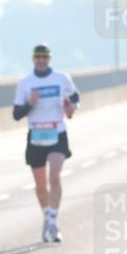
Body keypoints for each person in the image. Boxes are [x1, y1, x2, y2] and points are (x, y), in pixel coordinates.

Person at [12, 45, 79, 243]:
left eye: (44, 57)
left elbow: (75, 96)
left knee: (55, 177)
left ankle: (53, 220)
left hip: (57, 132)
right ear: (33, 59)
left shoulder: (61, 78)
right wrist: (30, 104)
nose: (41, 60)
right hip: (36, 136)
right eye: (38, 57)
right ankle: (46, 214)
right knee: (41, 185)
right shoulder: (25, 83)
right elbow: (16, 114)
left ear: (49, 59)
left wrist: (71, 107)